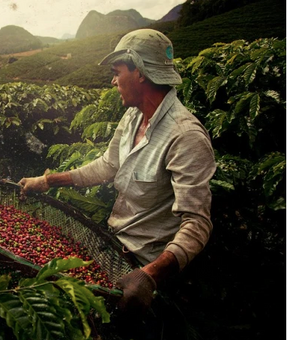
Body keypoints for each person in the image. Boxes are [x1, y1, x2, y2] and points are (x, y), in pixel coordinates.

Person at [18, 29, 216, 315]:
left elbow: (197, 223)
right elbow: (107, 165)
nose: (113, 81)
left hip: (141, 266)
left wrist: (149, 276)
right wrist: (48, 181)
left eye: (117, 72)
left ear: (141, 73)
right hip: (112, 246)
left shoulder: (186, 137)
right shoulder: (133, 116)